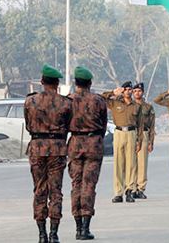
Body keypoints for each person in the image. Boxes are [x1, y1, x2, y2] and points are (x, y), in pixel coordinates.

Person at [24, 64, 73, 243]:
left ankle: (41, 233)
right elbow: (68, 125)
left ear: (42, 82)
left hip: (37, 147)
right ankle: (54, 233)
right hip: (58, 148)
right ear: (57, 83)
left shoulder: (30, 101)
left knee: (39, 190)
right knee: (56, 191)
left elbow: (28, 125)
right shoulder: (66, 103)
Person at [67, 66, 107, 240]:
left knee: (76, 184)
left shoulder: (68, 101)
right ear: (90, 83)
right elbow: (104, 125)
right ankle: (85, 227)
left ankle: (77, 226)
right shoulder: (98, 101)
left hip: (75, 144)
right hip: (93, 144)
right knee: (89, 185)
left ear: (76, 82)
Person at [102, 81, 141, 203]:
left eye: (130, 89)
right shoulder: (115, 102)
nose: (128, 91)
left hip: (131, 133)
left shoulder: (136, 106)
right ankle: (118, 192)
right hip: (119, 132)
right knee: (118, 163)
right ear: (122, 91)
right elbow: (101, 98)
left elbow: (140, 124)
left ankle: (130, 190)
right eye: (126, 89)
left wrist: (139, 140)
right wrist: (113, 92)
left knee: (131, 164)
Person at [133, 82, 156, 199]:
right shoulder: (129, 106)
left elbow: (152, 125)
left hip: (145, 134)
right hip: (132, 134)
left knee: (142, 163)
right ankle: (131, 188)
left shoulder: (148, 107)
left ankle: (140, 188)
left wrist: (151, 142)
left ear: (143, 92)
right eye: (135, 91)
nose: (137, 93)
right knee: (131, 164)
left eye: (139, 91)